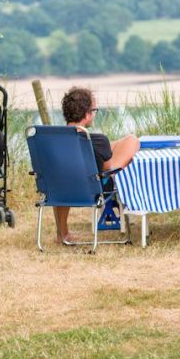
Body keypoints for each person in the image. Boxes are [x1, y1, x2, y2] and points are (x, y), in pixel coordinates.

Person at [56, 87, 139, 244]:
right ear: (87, 114)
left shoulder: (54, 139)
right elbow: (107, 168)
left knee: (62, 179)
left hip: (57, 189)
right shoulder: (98, 140)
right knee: (132, 141)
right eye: (94, 110)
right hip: (91, 189)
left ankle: (62, 235)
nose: (94, 114)